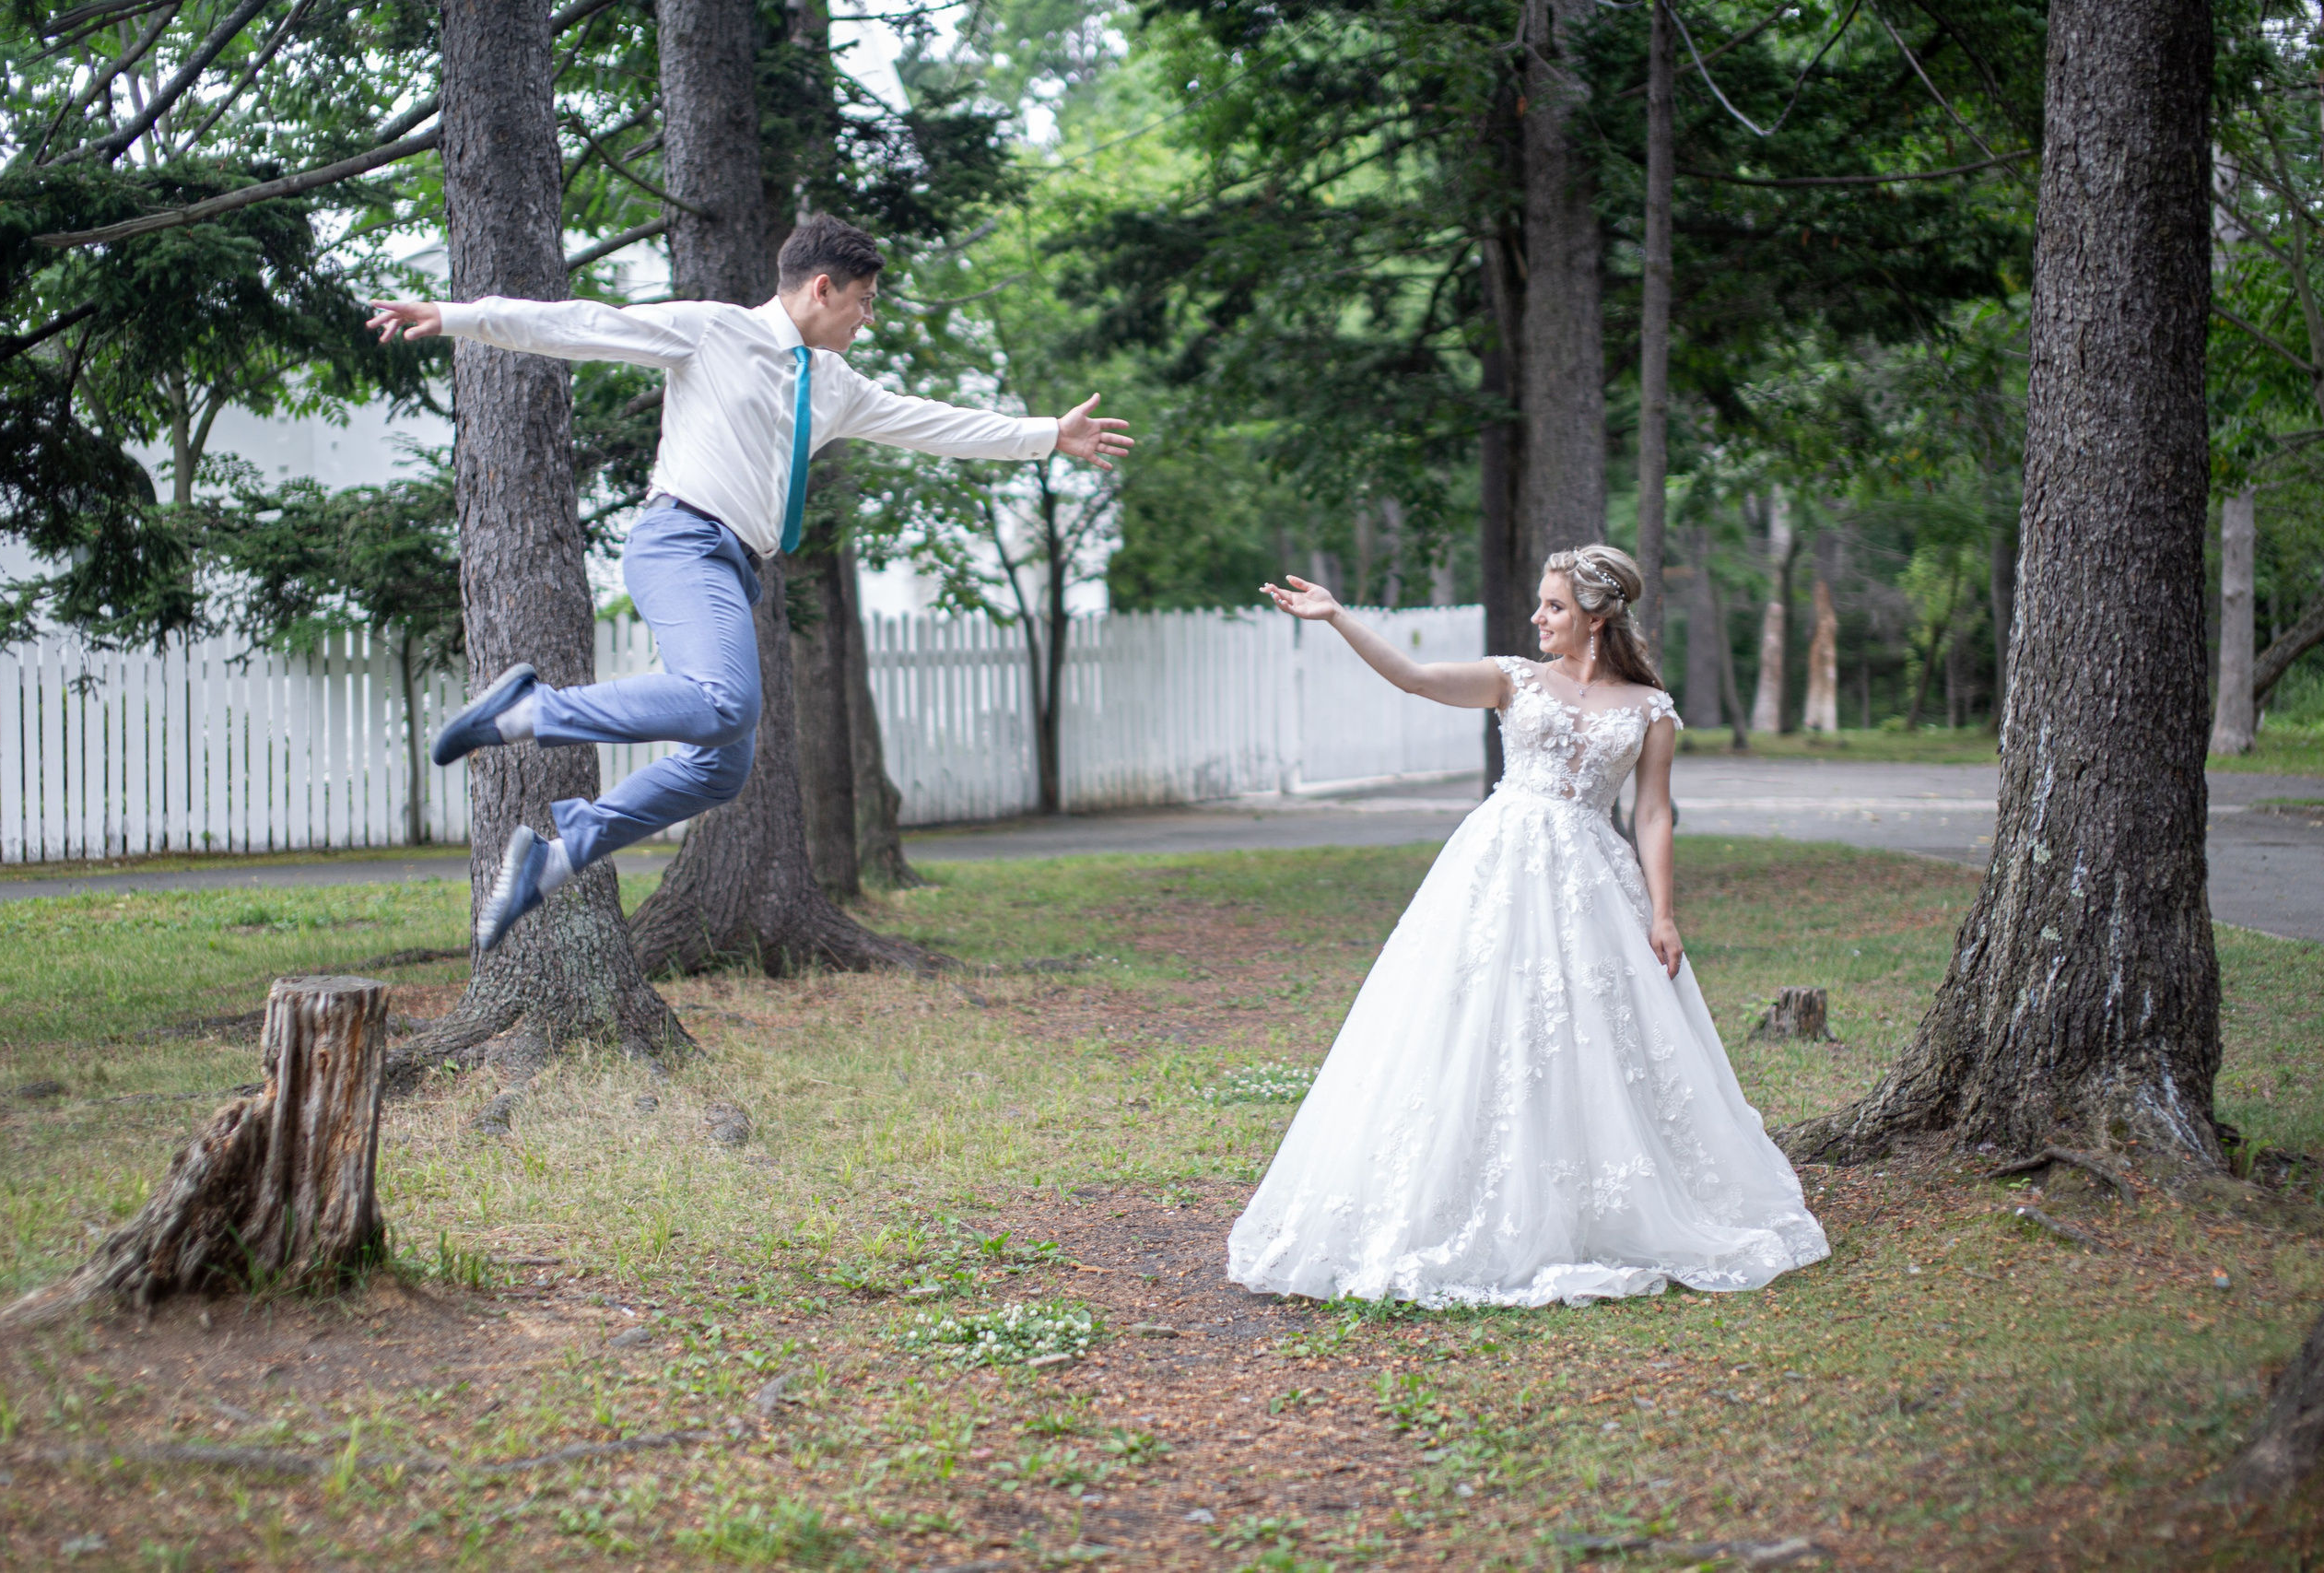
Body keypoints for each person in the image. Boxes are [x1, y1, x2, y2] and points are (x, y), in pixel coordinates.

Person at [367, 213, 1132, 951]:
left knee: (720, 765)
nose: (868, 320)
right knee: (725, 701)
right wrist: (458, 314)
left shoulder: (834, 386)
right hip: (679, 540)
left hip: (732, 566)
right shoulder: (714, 331)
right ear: (822, 288)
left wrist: (1046, 436)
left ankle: (557, 856)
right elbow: (582, 323)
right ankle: (529, 709)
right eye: (864, 303)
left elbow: (930, 422)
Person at [1228, 546, 1829, 1307]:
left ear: (1596, 616)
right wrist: (1338, 616)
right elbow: (1414, 678)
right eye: (1540, 605)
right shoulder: (1512, 678)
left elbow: (1651, 814)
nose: (1538, 618)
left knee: (1588, 1035)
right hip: (1496, 868)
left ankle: (1589, 1202)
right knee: (1475, 1018)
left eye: (1553, 606)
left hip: (1591, 880)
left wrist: (1665, 914)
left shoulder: (1650, 709)